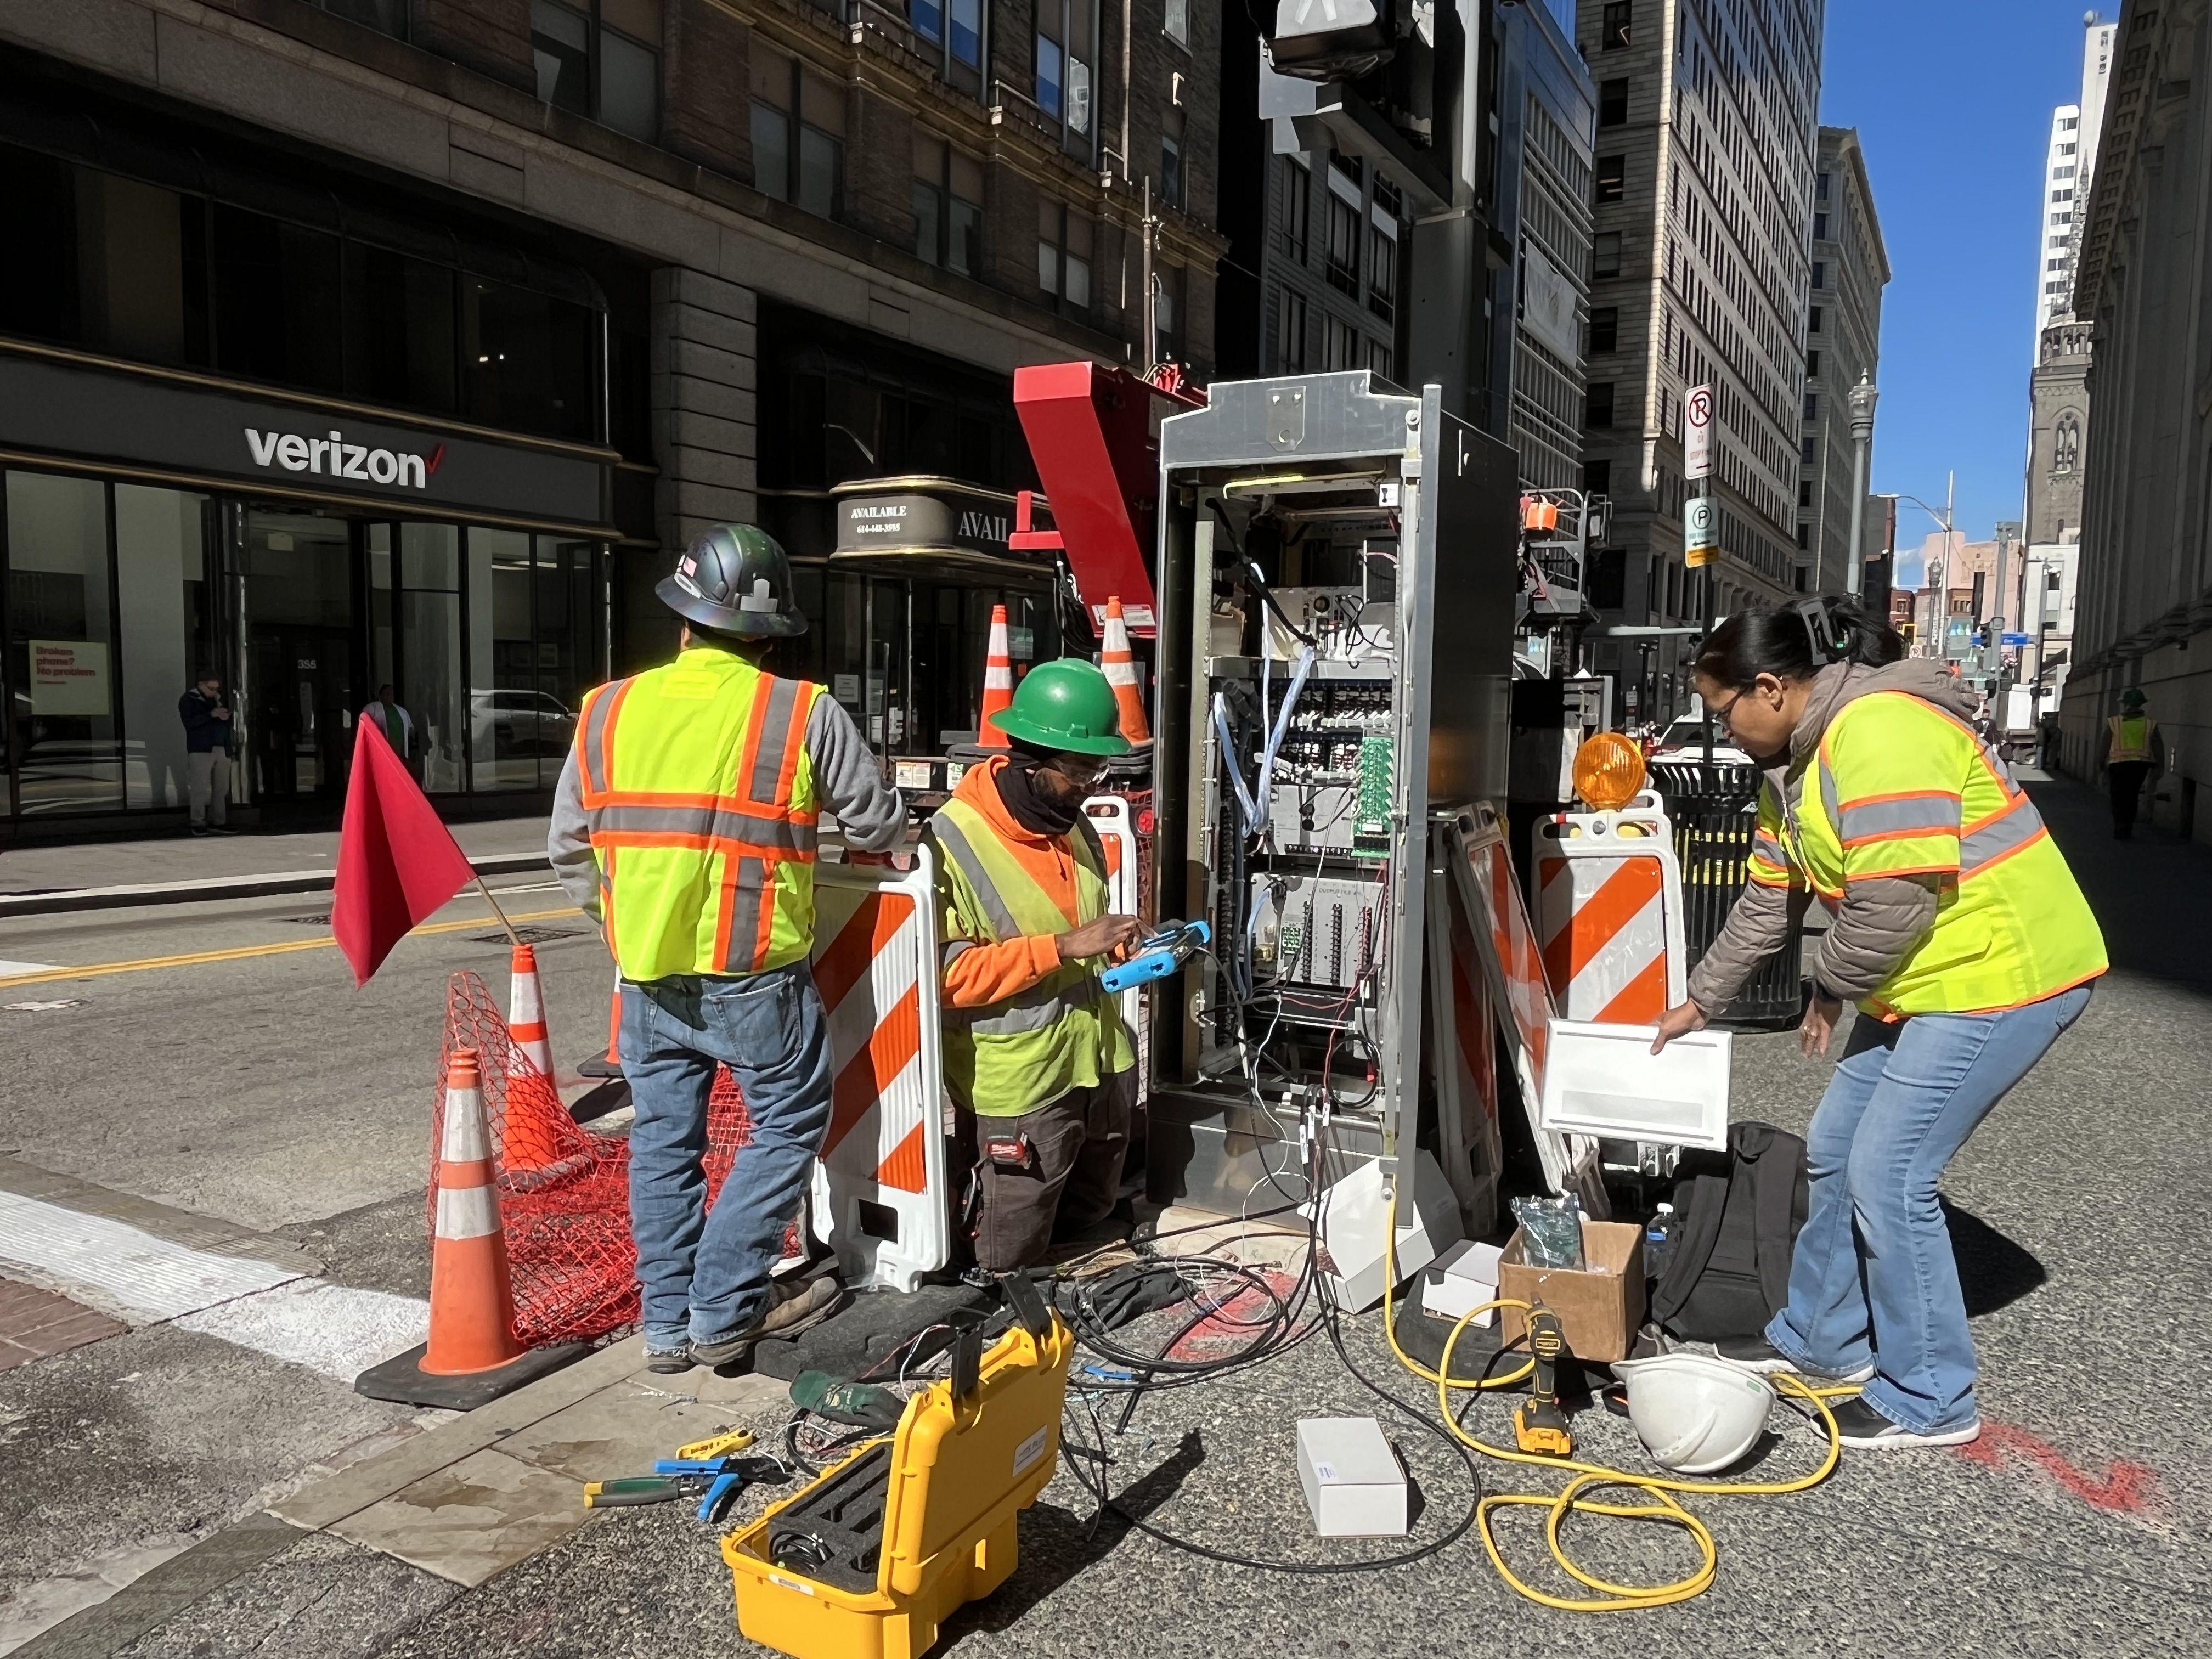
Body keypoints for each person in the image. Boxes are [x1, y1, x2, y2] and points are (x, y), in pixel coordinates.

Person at [1650, 596, 2106, 1451]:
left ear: (1772, 688)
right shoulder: (1789, 766)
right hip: (1926, 981)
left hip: (2004, 973)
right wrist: (1701, 1000)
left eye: (1724, 712)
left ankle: (1931, 1394)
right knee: (1835, 1151)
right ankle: (1820, 1340)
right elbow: (1766, 900)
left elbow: (1893, 904)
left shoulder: (1881, 730)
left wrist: (1827, 988)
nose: (1722, 730)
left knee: (1890, 1174)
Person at [548, 525, 904, 1373]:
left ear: (682, 617)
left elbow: (569, 848)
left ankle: (667, 1327)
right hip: (755, 980)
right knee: (784, 1128)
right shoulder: (800, 710)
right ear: (770, 631)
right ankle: (721, 1307)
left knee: (665, 1147)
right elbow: (879, 824)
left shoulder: (607, 709)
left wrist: (628, 921)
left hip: (647, 979)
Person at [926, 660, 1143, 1272]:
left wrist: (1119, 945)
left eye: (1099, 770)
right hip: (1020, 1084)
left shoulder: (1074, 827)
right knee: (1006, 1253)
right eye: (1081, 772)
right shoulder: (950, 842)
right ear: (1030, 762)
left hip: (1099, 1062)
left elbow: (1084, 926)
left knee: (1091, 1211)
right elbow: (945, 977)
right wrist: (1066, 947)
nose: (1091, 786)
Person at [177, 671, 235, 836]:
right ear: (201, 685)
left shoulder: (218, 698)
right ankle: (198, 822)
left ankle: (218, 821)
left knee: (221, 788)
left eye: (217, 688)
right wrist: (211, 714)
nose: (214, 691)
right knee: (199, 788)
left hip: (221, 747)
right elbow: (189, 722)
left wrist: (224, 717)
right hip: (200, 748)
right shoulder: (189, 699)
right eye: (211, 688)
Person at [2101, 687, 2163, 839]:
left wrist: (2100, 763)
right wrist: (2161, 766)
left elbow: (2105, 745)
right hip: (2140, 766)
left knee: (2117, 796)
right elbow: (2158, 746)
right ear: (2141, 704)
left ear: (2124, 704)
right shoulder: (2150, 724)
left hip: (2118, 765)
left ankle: (2119, 826)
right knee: (2132, 795)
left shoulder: (2114, 723)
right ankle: (2127, 827)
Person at [362, 684, 415, 764]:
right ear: (381, 695)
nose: (389, 696)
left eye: (391, 694)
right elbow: (365, 723)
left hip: (399, 755)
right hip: (381, 753)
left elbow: (411, 728)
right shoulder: (373, 708)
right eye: (386, 693)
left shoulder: (402, 712)